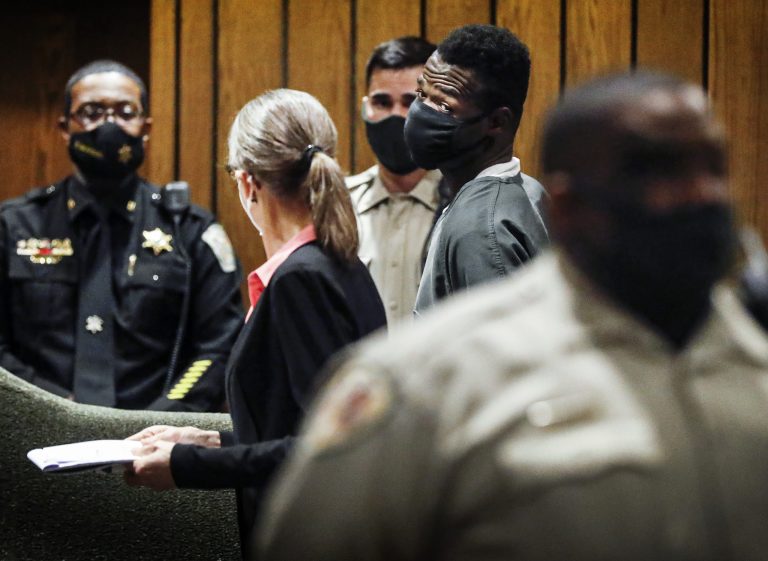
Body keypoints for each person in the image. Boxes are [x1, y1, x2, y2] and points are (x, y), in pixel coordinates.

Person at [256, 72, 768, 561]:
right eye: (657, 171)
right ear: (566, 207)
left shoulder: (753, 357)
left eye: (713, 167)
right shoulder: (430, 376)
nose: (702, 194)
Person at [125, 89, 387, 558]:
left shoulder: (302, 280)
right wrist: (207, 440)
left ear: (247, 183)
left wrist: (188, 466)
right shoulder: (337, 263)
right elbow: (293, 428)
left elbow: (324, 450)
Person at [0, 60, 243, 411]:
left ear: (146, 128)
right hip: (36, 430)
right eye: (91, 112)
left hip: (156, 436)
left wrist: (156, 422)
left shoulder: (190, 231)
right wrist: (52, 409)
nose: (108, 125)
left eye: (125, 112)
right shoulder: (14, 227)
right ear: (65, 127)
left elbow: (219, 347)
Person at [408, 24, 549, 315]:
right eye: (421, 94)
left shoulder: (481, 232)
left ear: (496, 122)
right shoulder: (529, 190)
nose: (421, 113)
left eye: (444, 107)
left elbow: (501, 357)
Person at [346, 36, 442, 323]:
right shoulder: (336, 207)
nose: (396, 115)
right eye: (382, 102)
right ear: (365, 108)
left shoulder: (463, 204)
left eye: (411, 101)